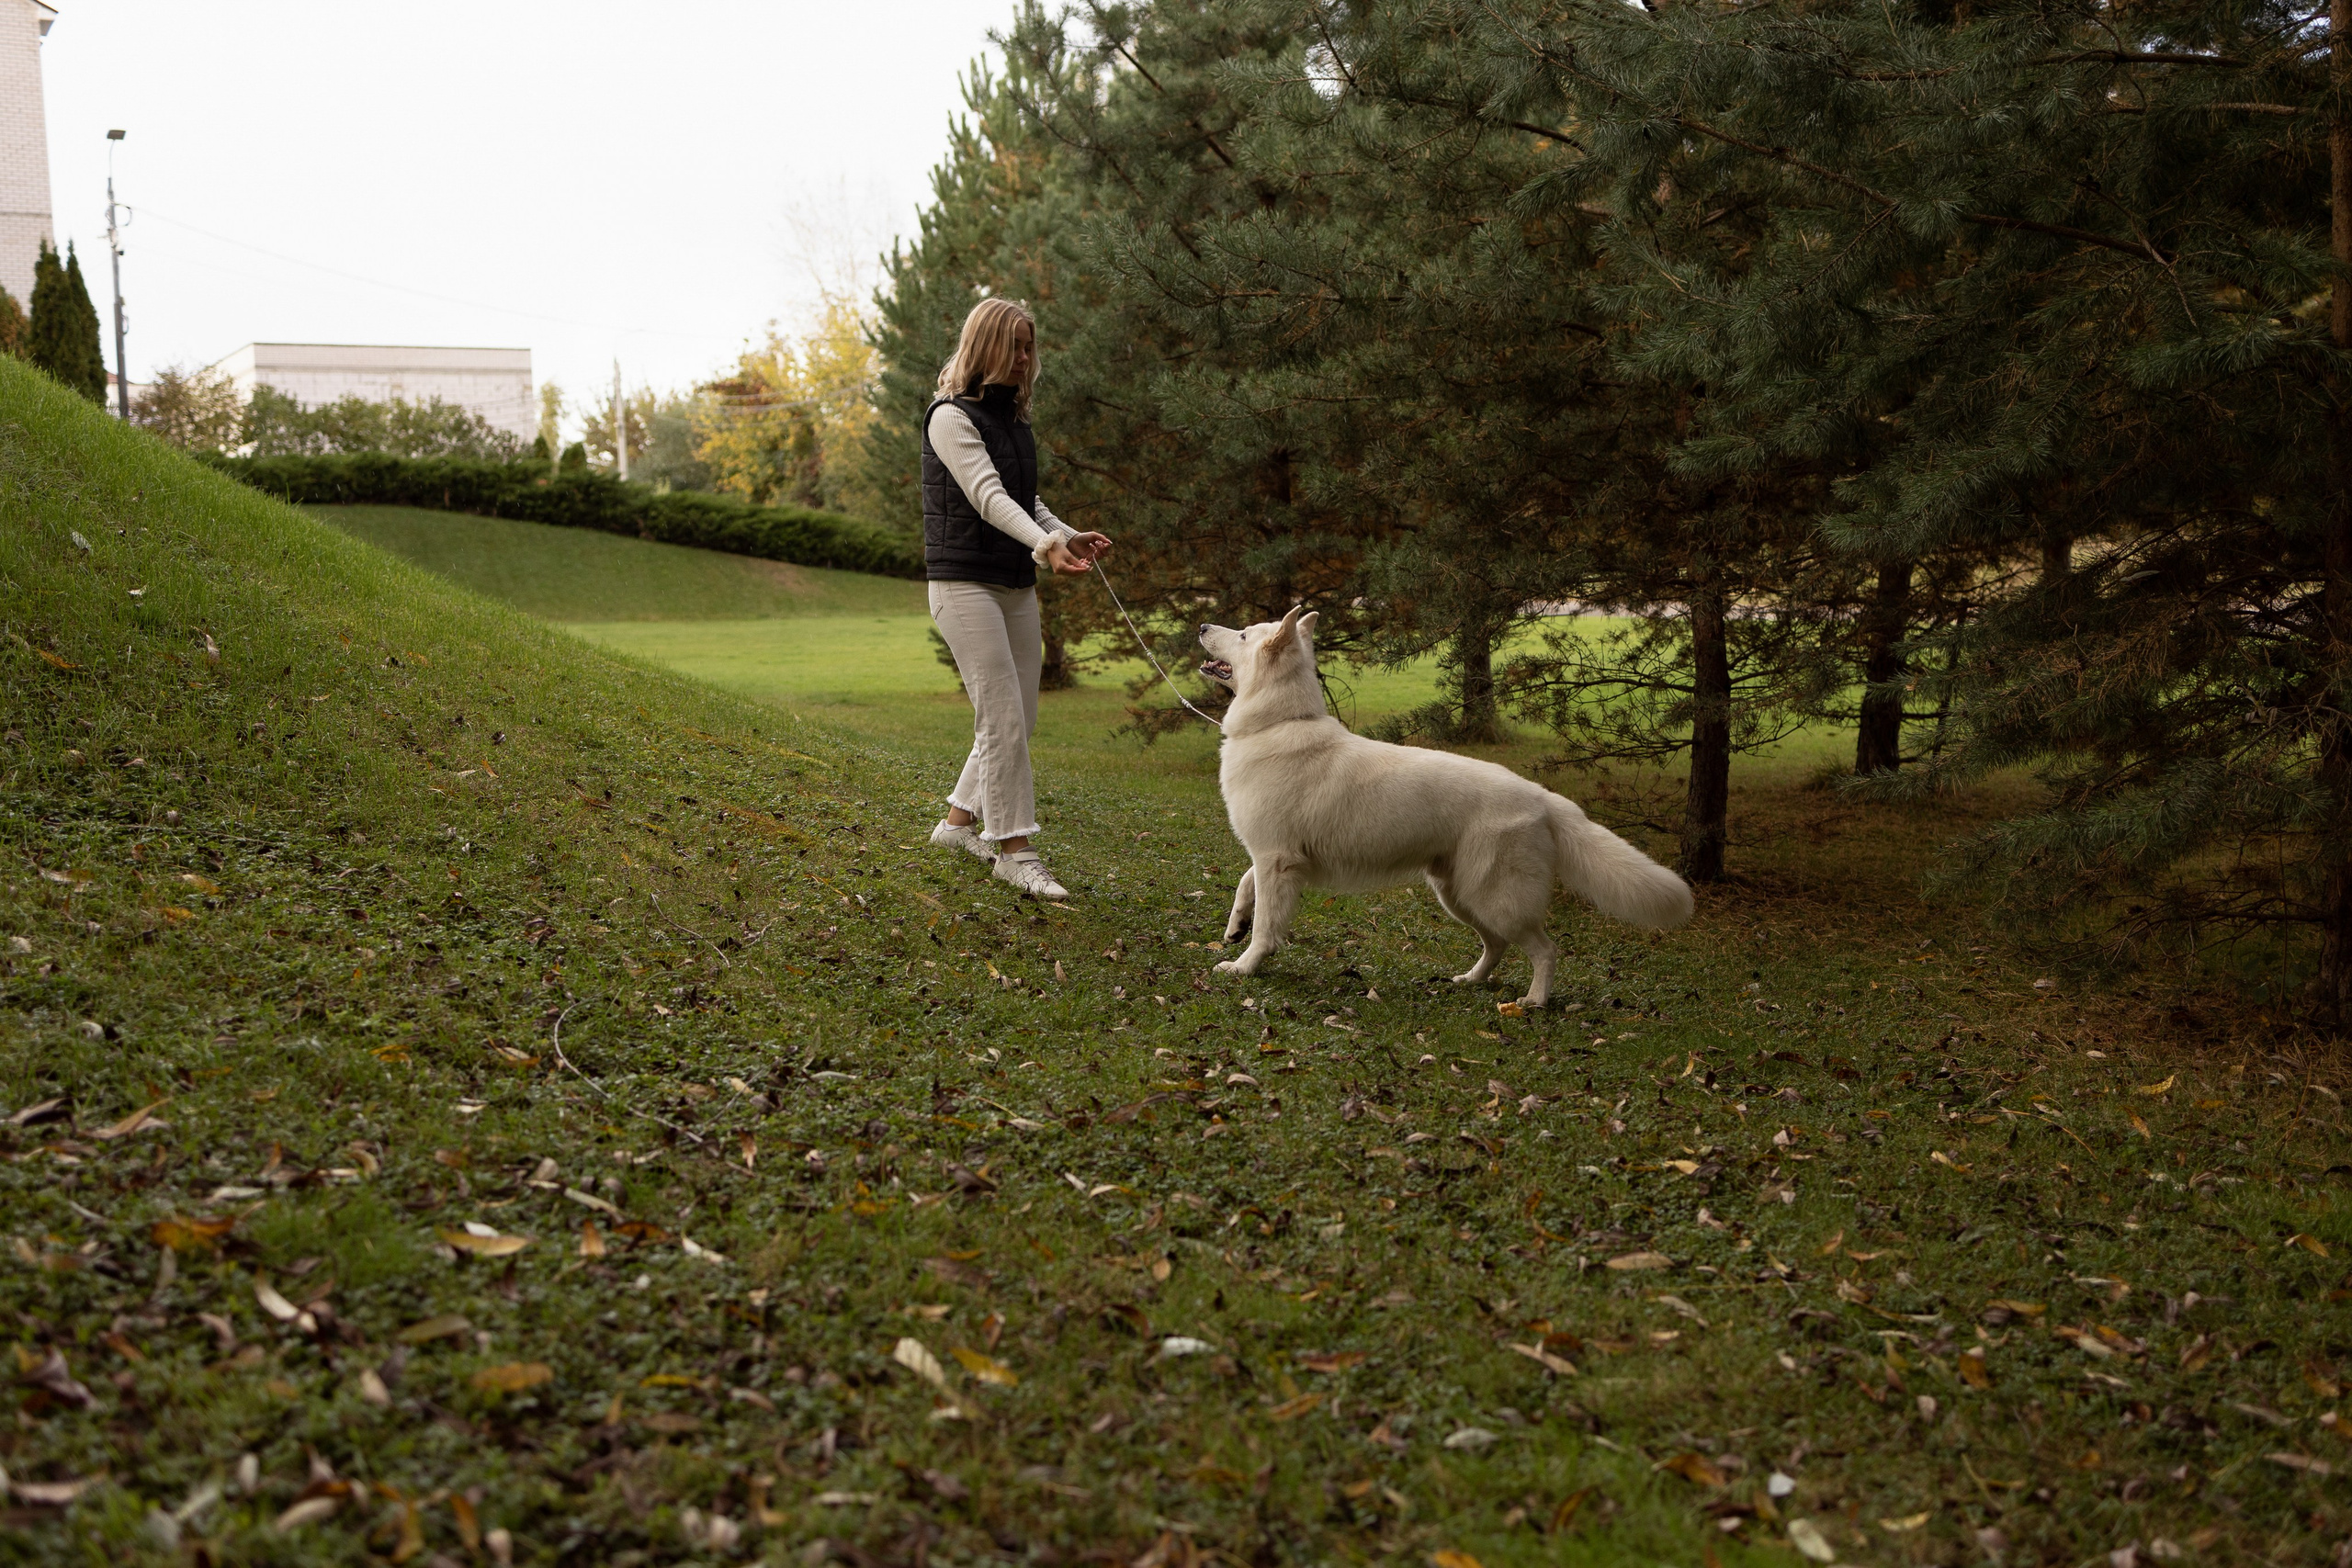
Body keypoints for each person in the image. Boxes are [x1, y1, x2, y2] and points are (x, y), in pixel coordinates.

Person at [922, 298, 1111, 899]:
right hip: (963, 584)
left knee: (1019, 718)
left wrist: (1064, 534)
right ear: (986, 347)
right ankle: (1014, 850)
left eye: (1030, 347)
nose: (1026, 358)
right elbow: (987, 496)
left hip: (1014, 584)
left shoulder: (1014, 420)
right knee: (1001, 715)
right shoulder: (950, 417)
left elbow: (1024, 500)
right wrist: (1044, 545)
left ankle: (957, 824)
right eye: (1015, 346)